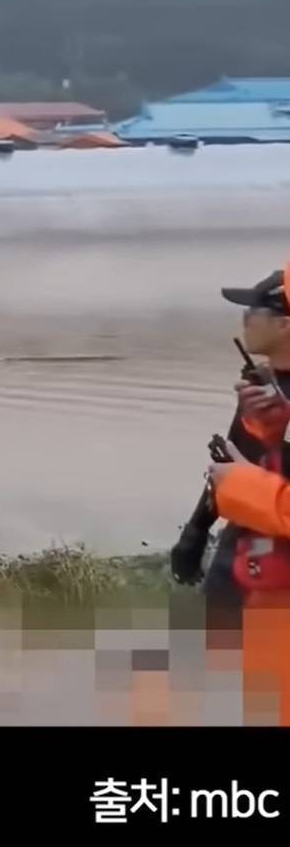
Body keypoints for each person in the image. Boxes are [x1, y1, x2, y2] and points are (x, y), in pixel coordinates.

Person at [176, 265, 290, 721]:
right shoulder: (264, 391)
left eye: (253, 309)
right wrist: (197, 530)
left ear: (285, 323)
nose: (244, 318)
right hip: (248, 554)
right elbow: (228, 463)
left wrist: (243, 485)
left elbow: (242, 480)